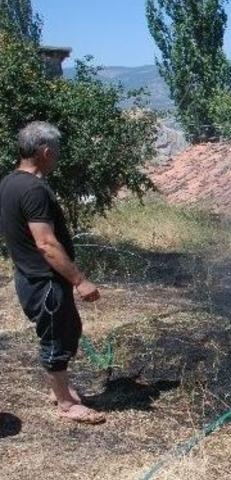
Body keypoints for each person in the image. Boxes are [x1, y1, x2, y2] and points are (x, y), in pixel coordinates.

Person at [0, 121, 105, 424]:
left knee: (68, 330)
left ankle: (62, 388)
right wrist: (81, 280)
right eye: (56, 152)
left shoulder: (9, 182)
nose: (58, 157)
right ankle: (65, 404)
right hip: (44, 282)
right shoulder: (33, 189)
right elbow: (46, 244)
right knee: (56, 340)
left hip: (31, 277)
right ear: (45, 151)